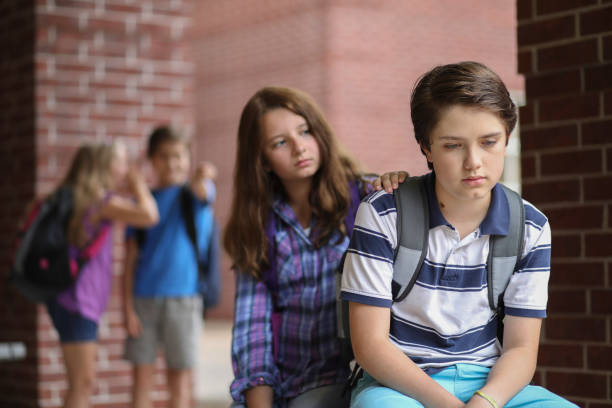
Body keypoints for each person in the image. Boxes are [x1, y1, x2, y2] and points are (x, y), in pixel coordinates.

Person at [341, 61, 578, 408]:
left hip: (489, 385)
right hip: (399, 385)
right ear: (426, 148)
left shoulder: (531, 227)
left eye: (489, 142)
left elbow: (521, 348)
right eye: (453, 146)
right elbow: (370, 346)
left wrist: (485, 401)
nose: (474, 162)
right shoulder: (383, 214)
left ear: (507, 138)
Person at [226, 86, 410, 408]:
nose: (299, 148)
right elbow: (251, 329)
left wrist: (406, 188)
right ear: (263, 161)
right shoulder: (257, 226)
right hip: (287, 381)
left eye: (305, 131)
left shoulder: (367, 198)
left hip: (357, 375)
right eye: (280, 142)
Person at [44, 141, 159, 408]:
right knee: (82, 384)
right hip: (78, 301)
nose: (124, 168)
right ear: (103, 165)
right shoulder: (101, 201)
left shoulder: (78, 197)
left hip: (68, 299)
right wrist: (138, 183)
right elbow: (150, 214)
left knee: (80, 382)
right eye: (120, 162)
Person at [122, 125, 217, 408]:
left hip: (184, 300)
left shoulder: (194, 196)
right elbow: (129, 262)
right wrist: (127, 308)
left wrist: (204, 175)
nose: (173, 162)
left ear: (188, 158)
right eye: (164, 156)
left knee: (179, 381)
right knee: (142, 378)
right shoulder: (142, 203)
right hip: (143, 301)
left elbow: (204, 187)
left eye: (180, 155)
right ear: (152, 159)